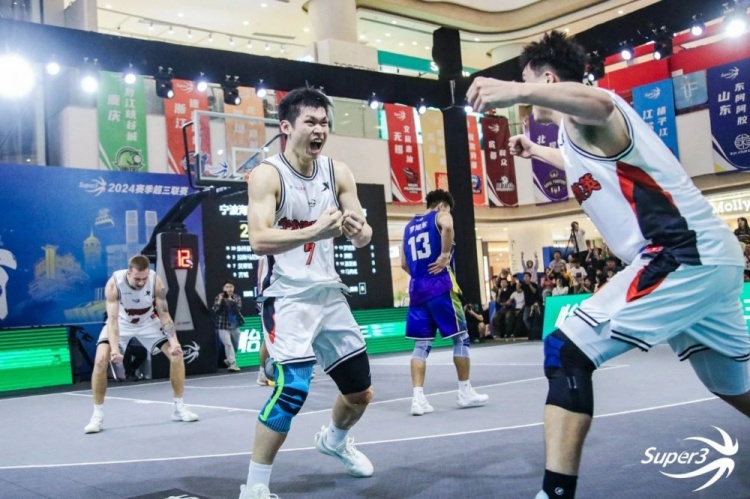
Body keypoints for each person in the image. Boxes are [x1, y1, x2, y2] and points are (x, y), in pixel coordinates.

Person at [467, 30, 750, 499]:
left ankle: (555, 494)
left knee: (566, 351)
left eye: (529, 80)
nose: (526, 94)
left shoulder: (595, 112)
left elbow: (599, 105)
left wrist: (513, 91)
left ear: (548, 80)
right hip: (709, 260)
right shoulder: (572, 134)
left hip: (680, 253)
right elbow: (585, 166)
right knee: (733, 386)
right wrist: (537, 152)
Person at [241, 87, 375, 499]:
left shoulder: (338, 172)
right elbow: (259, 240)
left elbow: (364, 235)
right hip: (286, 295)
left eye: (324, 123)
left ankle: (334, 440)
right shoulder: (268, 175)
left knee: (360, 393)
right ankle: (255, 487)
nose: (320, 130)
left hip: (328, 293)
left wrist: (359, 232)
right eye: (310, 122)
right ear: (286, 126)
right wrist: (317, 230)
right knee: (292, 391)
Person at [83, 255, 199, 434]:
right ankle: (97, 416)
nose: (141, 282)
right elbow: (112, 320)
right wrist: (115, 350)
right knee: (100, 360)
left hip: (147, 321)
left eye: (144, 278)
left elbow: (164, 314)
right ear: (128, 273)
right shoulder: (114, 284)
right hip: (121, 322)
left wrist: (174, 342)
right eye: (137, 279)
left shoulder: (155, 281)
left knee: (177, 355)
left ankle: (179, 408)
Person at [400, 189, 489, 417]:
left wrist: (421, 276)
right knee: (462, 338)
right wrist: (445, 255)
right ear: (441, 206)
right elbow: (448, 226)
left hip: (417, 290)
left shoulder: (408, 227)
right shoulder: (440, 215)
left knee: (421, 345)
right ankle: (465, 392)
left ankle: (417, 399)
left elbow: (403, 264)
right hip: (440, 287)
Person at [212, 280, 244, 372]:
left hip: (235, 325)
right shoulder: (219, 297)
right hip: (222, 326)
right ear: (223, 288)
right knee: (228, 344)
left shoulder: (237, 297)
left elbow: (237, 309)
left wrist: (231, 301)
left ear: (233, 288)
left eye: (231, 287)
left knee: (235, 344)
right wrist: (219, 301)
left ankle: (229, 358)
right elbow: (215, 310)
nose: (229, 289)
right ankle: (233, 364)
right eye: (227, 287)